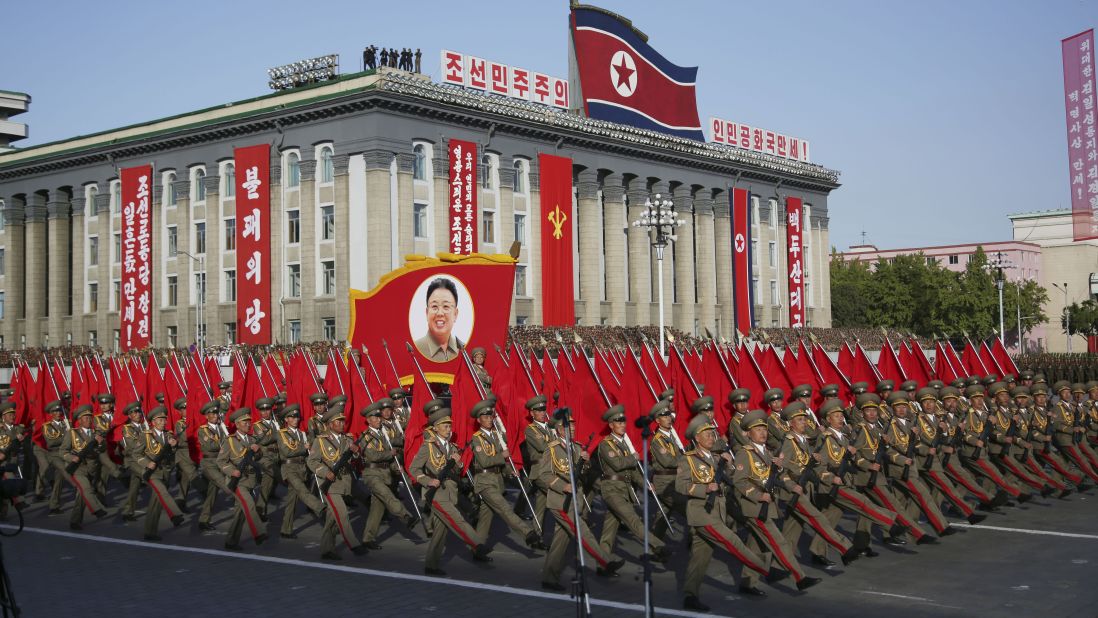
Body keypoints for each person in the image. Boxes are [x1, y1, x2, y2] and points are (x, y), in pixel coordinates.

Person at [679, 413, 772, 610]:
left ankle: (690, 596)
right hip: (701, 514)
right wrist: (705, 489)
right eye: (707, 435)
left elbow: (731, 479)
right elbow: (681, 486)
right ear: (697, 438)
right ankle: (766, 567)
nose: (712, 438)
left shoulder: (716, 458)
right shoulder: (688, 459)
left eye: (712, 435)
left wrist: (729, 465)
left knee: (700, 559)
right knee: (732, 540)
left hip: (716, 512)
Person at [537, 412, 623, 591]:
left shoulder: (577, 447)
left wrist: (585, 463)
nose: (574, 430)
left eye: (575, 427)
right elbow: (543, 475)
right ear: (560, 429)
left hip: (574, 500)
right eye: (570, 427)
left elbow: (582, 474)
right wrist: (562, 486)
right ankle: (605, 562)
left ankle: (549, 577)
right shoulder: (551, 449)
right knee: (583, 531)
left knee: (560, 541)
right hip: (561, 501)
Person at [411, 407, 490, 575]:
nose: (449, 430)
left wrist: (458, 463)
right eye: (445, 427)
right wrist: (427, 480)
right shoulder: (428, 446)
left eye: (449, 426)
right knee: (458, 519)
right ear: (436, 428)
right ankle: (478, 545)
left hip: (450, 492)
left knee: (440, 531)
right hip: (436, 493)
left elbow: (457, 471)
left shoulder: (453, 447)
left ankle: (431, 565)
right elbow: (414, 468)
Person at [468, 398, 544, 551]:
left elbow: (503, 464)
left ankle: (477, 548)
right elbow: (484, 461)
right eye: (486, 417)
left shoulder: (497, 436)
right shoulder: (476, 438)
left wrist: (510, 471)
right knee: (504, 508)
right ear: (479, 419)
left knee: (485, 517)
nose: (489, 420)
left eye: (491, 416)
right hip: (484, 481)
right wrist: (502, 456)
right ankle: (528, 533)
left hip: (497, 481)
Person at [596, 404, 668, 562]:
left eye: (623, 422)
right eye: (618, 422)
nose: (622, 425)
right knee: (633, 520)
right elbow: (618, 464)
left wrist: (645, 484)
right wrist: (633, 457)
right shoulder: (605, 445)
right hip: (612, 489)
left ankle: (602, 563)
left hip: (624, 489)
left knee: (609, 530)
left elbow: (633, 471)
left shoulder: (623, 445)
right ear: (611, 425)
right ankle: (658, 545)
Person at [308, 403, 370, 560]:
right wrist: (324, 472)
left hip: (345, 483)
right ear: (330, 424)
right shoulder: (321, 441)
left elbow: (357, 460)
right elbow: (312, 462)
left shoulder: (348, 439)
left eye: (343, 421)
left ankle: (327, 549)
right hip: (330, 485)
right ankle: (354, 544)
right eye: (338, 421)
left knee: (332, 518)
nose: (342, 424)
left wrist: (356, 453)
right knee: (342, 514)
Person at [359, 398, 417, 549]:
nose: (379, 420)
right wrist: (390, 454)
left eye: (379, 417)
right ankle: (405, 516)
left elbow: (390, 454)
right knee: (387, 495)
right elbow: (373, 456)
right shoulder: (366, 436)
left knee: (377, 509)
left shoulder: (383, 434)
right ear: (368, 420)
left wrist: (397, 467)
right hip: (372, 473)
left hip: (385, 472)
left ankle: (367, 539)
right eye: (375, 418)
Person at [217, 407, 268, 551]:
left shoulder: (252, 439)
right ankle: (259, 533)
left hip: (250, 479)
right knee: (250, 504)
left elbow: (258, 457)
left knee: (240, 512)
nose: (248, 424)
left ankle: (231, 541)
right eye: (244, 422)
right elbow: (220, 461)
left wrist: (258, 451)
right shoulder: (230, 440)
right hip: (237, 481)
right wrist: (231, 471)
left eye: (249, 422)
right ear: (237, 424)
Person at [137, 406, 186, 541]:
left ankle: (150, 531)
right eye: (160, 420)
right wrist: (147, 463)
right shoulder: (146, 435)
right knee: (163, 492)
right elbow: (136, 454)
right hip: (151, 472)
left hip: (165, 471)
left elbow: (172, 454)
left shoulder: (169, 435)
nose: (163, 422)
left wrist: (174, 446)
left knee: (156, 503)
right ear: (153, 422)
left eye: (164, 419)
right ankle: (175, 514)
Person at [277, 404, 324, 539]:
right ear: (286, 419)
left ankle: (286, 529)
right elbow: (286, 452)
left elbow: (308, 450)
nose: (295, 419)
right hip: (289, 468)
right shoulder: (282, 434)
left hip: (301, 468)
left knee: (293, 500)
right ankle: (321, 509)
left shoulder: (302, 434)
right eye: (292, 417)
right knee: (302, 490)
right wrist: (303, 448)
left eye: (297, 416)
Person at [60, 405, 108, 530]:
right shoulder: (72, 433)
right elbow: (63, 451)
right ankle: (97, 510)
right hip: (77, 468)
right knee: (86, 488)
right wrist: (71, 458)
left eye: (90, 418)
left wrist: (101, 442)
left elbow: (102, 449)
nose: (88, 420)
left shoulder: (96, 434)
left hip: (91, 468)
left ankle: (75, 521)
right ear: (79, 420)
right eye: (85, 418)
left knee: (81, 495)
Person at [414, 277, 464, 362]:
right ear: (427, 313)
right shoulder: (415, 350)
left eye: (446, 306)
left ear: (455, 314)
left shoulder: (464, 351)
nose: (440, 313)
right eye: (434, 306)